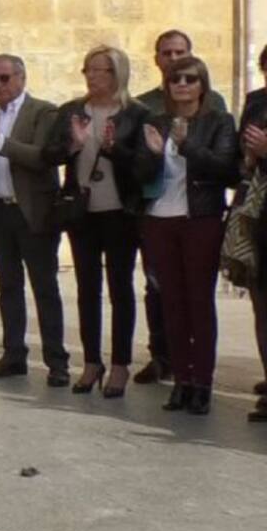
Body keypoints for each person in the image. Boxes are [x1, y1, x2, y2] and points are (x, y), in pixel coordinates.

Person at [134, 56, 238, 416]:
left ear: (202, 85)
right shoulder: (156, 121)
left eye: (189, 78)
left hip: (200, 219)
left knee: (199, 302)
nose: (181, 84)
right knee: (171, 303)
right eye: (174, 79)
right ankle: (181, 380)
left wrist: (186, 144)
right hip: (160, 219)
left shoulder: (218, 121)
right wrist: (149, 154)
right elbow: (141, 174)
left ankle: (203, 383)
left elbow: (227, 169)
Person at [44, 46, 148, 398]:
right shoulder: (73, 111)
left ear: (116, 73)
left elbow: (143, 166)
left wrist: (114, 148)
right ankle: (91, 361)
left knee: (121, 287)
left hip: (121, 211)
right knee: (88, 288)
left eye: (99, 70)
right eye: (87, 69)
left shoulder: (136, 114)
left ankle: (120, 364)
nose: (91, 76)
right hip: (82, 211)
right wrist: (72, 146)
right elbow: (49, 155)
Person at [0, 54, 70, 386]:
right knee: (8, 288)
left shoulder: (44, 113)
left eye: (4, 78)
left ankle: (57, 361)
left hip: (33, 212)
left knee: (44, 287)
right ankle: (13, 354)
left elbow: (42, 158)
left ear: (21, 78)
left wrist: (1, 143)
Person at [239, 45, 267, 422]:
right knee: (262, 303)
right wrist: (248, 157)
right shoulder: (256, 102)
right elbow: (239, 155)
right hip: (260, 215)